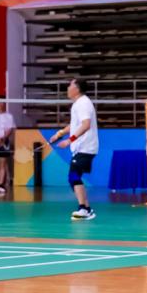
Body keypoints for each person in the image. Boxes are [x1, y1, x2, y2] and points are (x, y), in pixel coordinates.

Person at [49, 78, 99, 220]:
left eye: (70, 85)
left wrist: (69, 140)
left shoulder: (83, 103)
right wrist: (59, 134)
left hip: (86, 147)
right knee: (73, 177)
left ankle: (83, 208)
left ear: (77, 89)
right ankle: (87, 209)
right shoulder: (78, 103)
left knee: (74, 176)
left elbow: (86, 125)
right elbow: (75, 124)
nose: (68, 87)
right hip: (80, 148)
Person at [0, 96, 16, 194]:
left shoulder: (9, 116)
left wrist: (3, 138)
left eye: (2, 102)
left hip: (4, 142)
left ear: (4, 103)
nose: (0, 104)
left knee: (3, 163)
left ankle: (1, 184)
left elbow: (10, 129)